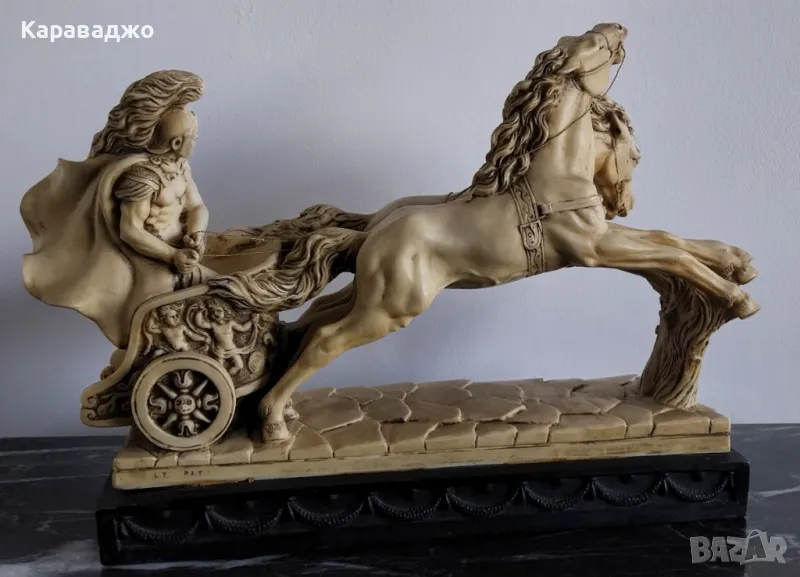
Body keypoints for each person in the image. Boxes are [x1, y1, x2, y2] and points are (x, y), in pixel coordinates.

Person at [21, 70, 216, 348]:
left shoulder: (180, 167)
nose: (197, 141)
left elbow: (197, 206)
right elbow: (130, 230)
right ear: (176, 143)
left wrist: (196, 234)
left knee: (222, 287)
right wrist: (172, 255)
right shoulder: (143, 178)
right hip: (152, 260)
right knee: (151, 322)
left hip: (182, 254)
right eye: (193, 137)